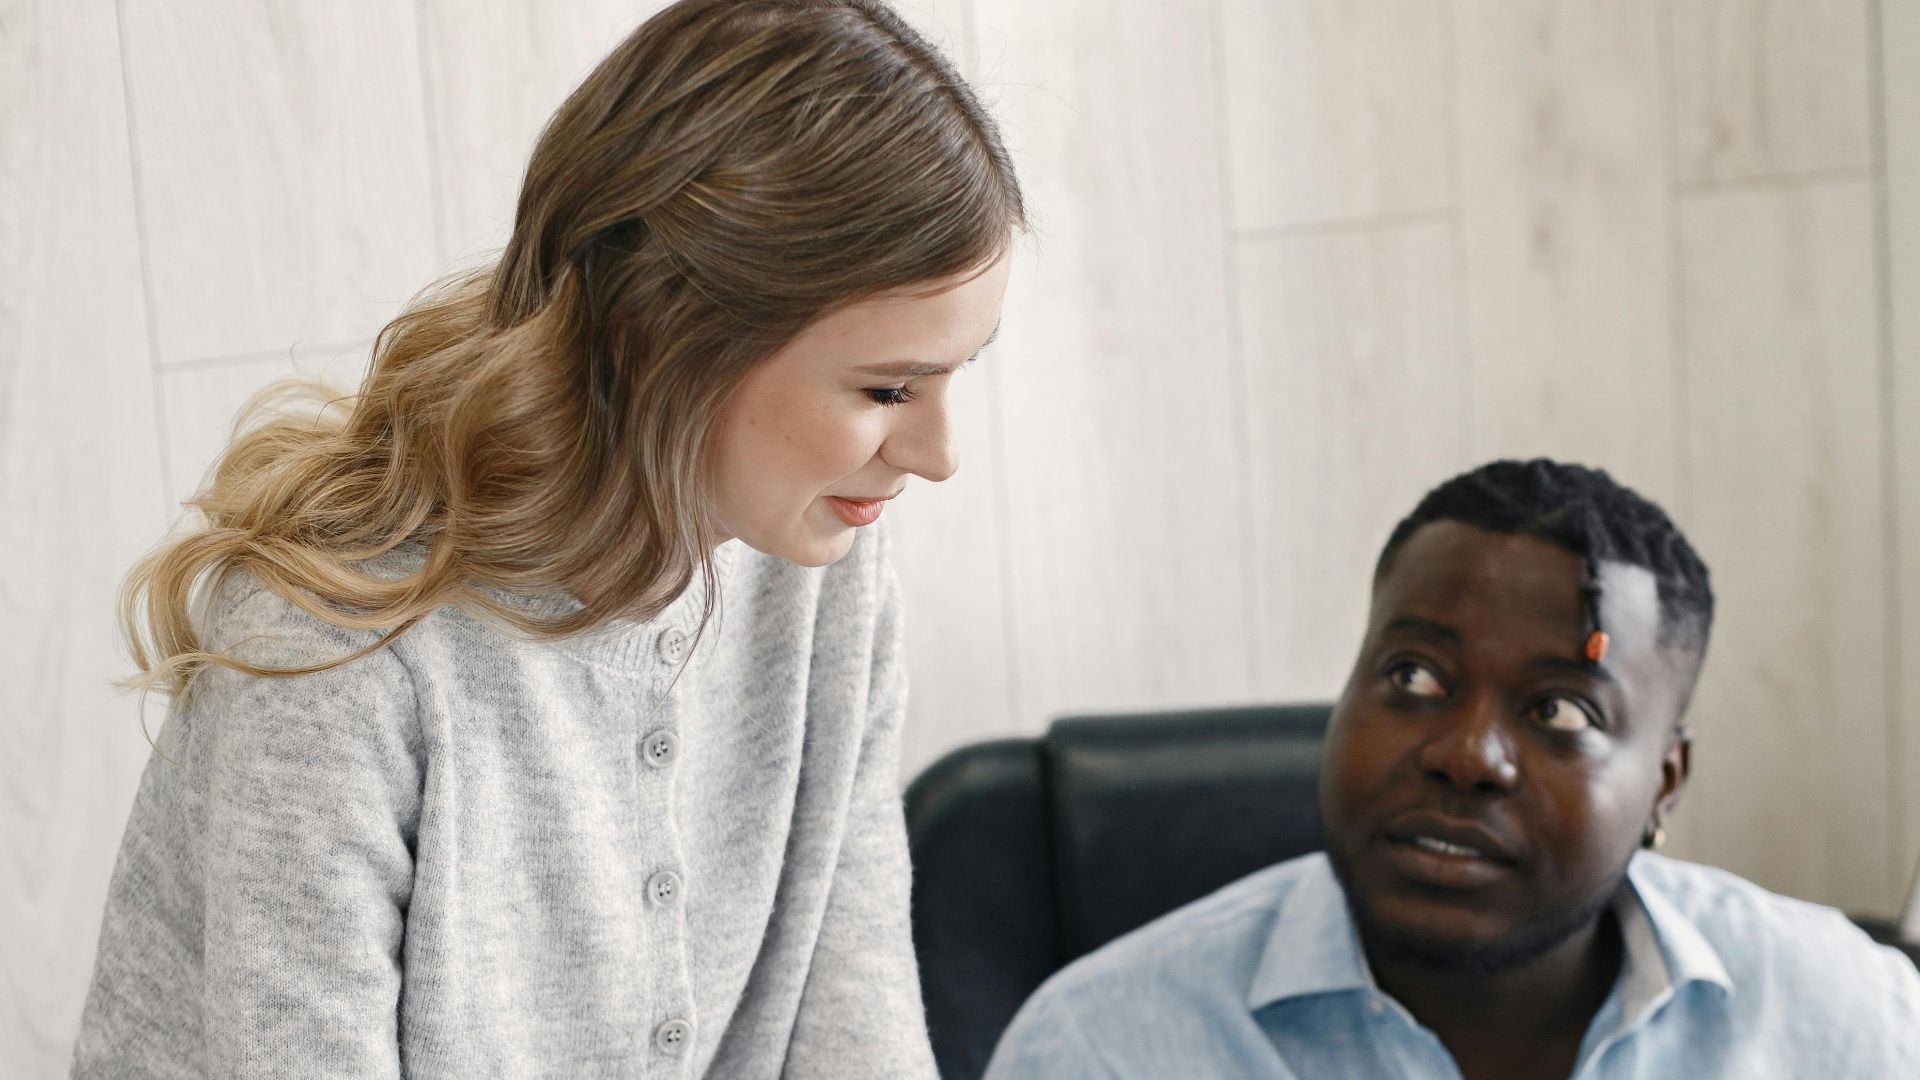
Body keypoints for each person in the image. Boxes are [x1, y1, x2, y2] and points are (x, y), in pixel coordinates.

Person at [72, 2, 1022, 1076]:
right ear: (663, 334)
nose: (938, 454)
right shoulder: (338, 648)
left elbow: (857, 1022)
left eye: (957, 373)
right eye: (889, 387)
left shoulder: (822, 577)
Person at [985, 459, 1920, 1079]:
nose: (1467, 755)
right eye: (1414, 676)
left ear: (1664, 785)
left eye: (1560, 709)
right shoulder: (1099, 1051)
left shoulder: (1849, 1019)